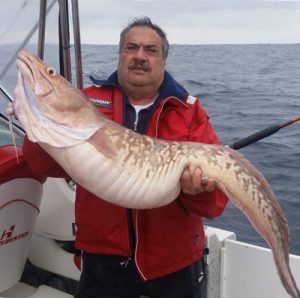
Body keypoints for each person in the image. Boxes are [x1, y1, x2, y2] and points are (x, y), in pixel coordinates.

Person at [23, 17, 228, 298]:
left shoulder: (188, 111)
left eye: (150, 50)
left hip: (174, 264)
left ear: (163, 60)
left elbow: (214, 205)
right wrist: (35, 120)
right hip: (102, 262)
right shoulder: (86, 102)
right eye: (131, 48)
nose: (139, 56)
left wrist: (197, 191)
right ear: (120, 55)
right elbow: (41, 164)